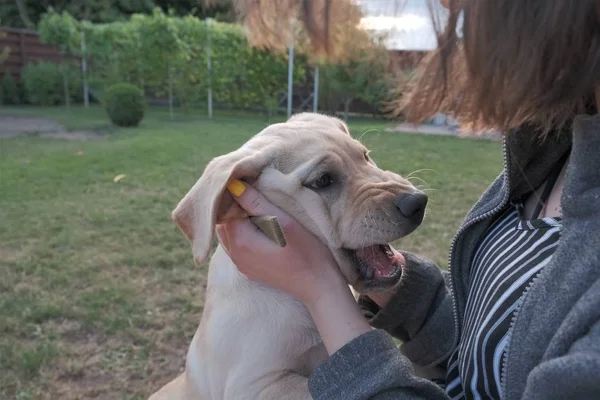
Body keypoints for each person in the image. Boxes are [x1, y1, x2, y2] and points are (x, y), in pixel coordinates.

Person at [215, 0, 600, 399]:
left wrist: (323, 293)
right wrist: (401, 292)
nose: (454, 12)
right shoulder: (555, 152)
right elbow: (488, 336)